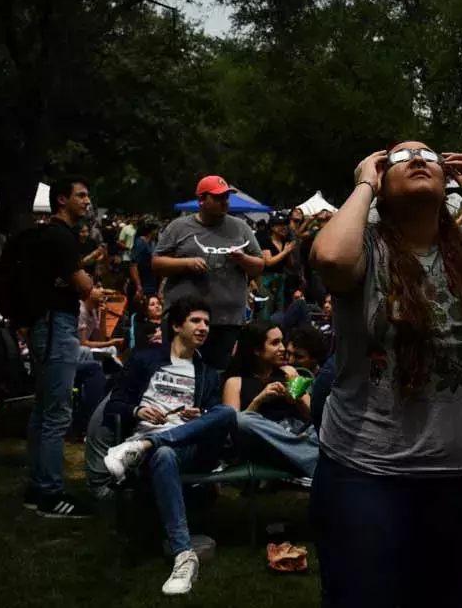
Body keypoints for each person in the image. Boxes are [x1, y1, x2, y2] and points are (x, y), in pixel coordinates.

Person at [309, 138, 462, 608]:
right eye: (400, 158)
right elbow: (331, 260)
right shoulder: (365, 246)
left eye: (428, 155)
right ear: (383, 182)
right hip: (366, 473)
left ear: (449, 179)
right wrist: (365, 181)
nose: (418, 160)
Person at [101, 296, 236, 596]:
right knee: (162, 454)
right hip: (154, 452)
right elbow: (115, 406)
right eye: (196, 321)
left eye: (207, 323)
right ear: (176, 325)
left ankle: (147, 444)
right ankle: (183, 556)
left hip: (188, 447)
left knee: (225, 412)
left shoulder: (207, 373)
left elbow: (217, 415)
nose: (204, 328)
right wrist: (137, 411)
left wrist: (200, 414)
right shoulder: (144, 360)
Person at [22, 177, 106, 519]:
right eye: (81, 195)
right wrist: (94, 292)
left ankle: (37, 486)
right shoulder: (61, 236)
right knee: (57, 413)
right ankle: (51, 494)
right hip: (57, 325)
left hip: (45, 324)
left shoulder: (49, 235)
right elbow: (85, 288)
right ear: (61, 200)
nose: (87, 201)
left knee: (43, 410)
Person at [153, 176, 265, 371]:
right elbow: (156, 263)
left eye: (226, 197)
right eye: (218, 197)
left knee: (215, 374)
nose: (225, 202)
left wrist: (242, 259)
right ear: (202, 200)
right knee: (178, 369)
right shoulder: (179, 227)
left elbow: (259, 265)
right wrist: (186, 263)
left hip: (226, 319)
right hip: (185, 320)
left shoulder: (240, 227)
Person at [222, 320, 319, 478]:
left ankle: (305, 457)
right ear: (257, 350)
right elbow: (231, 431)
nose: (283, 348)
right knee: (242, 420)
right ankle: (312, 460)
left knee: (329, 417)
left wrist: (297, 390)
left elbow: (314, 417)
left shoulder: (288, 373)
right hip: (266, 441)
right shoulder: (235, 383)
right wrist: (259, 400)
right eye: (275, 343)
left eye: (282, 341)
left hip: (297, 433)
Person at [127, 220, 160, 311]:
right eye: (156, 230)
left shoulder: (149, 243)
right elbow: (133, 265)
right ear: (151, 231)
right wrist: (139, 287)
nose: (157, 233)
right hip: (142, 285)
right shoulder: (140, 243)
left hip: (149, 283)